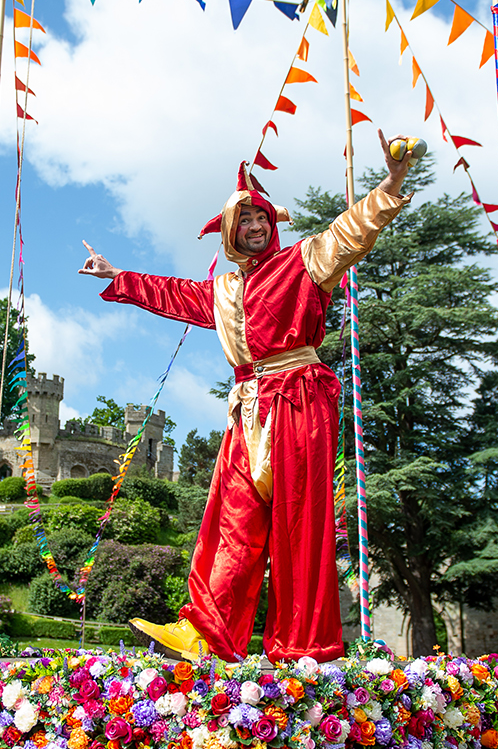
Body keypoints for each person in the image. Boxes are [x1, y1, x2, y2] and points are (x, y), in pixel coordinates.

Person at [79, 129, 414, 663]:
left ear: (272, 224)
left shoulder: (305, 262)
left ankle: (304, 648)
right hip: (247, 410)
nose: (256, 226)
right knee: (230, 519)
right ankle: (205, 634)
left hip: (298, 401)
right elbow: (172, 293)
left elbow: (351, 232)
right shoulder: (224, 290)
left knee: (298, 526)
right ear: (231, 235)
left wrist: (392, 181)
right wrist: (117, 275)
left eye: (262, 218)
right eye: (245, 221)